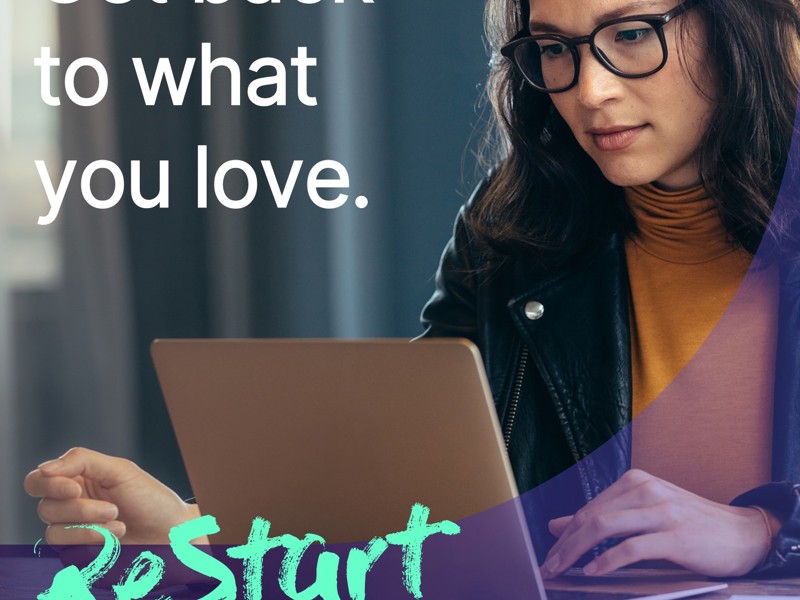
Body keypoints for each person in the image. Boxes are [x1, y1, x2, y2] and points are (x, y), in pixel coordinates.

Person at [25, 0, 800, 580]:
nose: (589, 89)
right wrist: (191, 537)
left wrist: (767, 533)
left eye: (631, 34)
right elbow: (418, 507)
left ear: (741, 23)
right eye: (555, 49)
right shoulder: (511, 241)